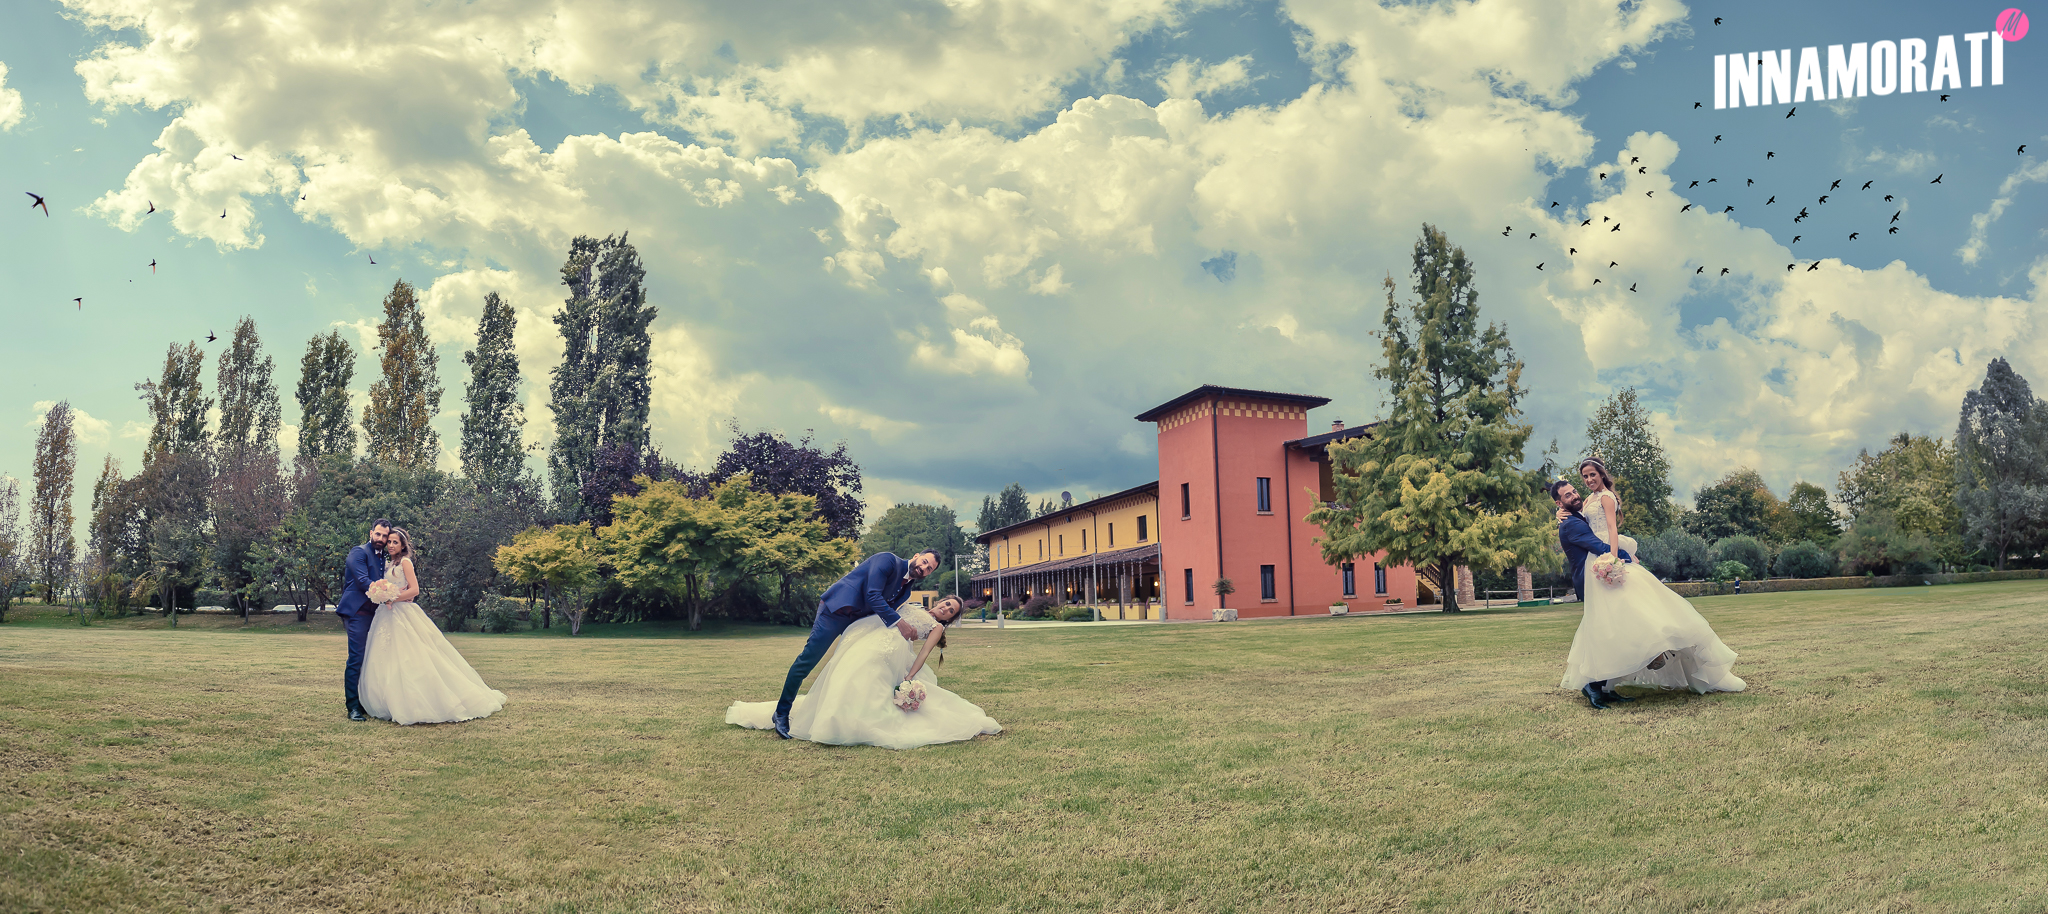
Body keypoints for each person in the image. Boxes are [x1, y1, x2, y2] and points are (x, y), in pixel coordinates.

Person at [1550, 468, 1746, 710]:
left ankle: (1609, 681)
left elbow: (1591, 519)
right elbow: (1596, 544)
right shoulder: (1570, 523)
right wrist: (1626, 556)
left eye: (1574, 491)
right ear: (1560, 502)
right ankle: (1607, 677)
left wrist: (1560, 511)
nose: (1575, 495)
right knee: (1615, 621)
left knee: (1615, 623)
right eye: (1567, 495)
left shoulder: (1579, 511)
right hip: (1597, 572)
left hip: (1602, 569)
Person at [727, 594, 1002, 749]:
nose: (945, 608)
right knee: (849, 677)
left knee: (868, 684)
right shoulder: (913, 605)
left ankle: (852, 723)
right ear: (940, 601)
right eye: (946, 603)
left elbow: (923, 654)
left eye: (950, 610)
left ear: (949, 618)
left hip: (892, 653)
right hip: (871, 639)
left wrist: (910, 677)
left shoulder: (936, 628)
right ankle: (835, 715)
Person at [765, 549, 939, 739]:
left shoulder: (907, 591)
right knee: (808, 659)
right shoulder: (888, 560)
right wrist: (900, 623)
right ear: (916, 556)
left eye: (929, 569)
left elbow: (882, 612)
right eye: (924, 562)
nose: (923, 568)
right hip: (836, 611)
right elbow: (873, 595)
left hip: (859, 623)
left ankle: (845, 718)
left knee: (857, 666)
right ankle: (781, 713)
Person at [356, 527, 507, 725]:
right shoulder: (387, 563)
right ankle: (386, 702)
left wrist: (392, 597)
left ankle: (420, 701)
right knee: (385, 657)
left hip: (403, 614)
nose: (391, 545)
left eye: (395, 542)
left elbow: (414, 590)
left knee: (412, 656)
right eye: (389, 541)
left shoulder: (405, 562)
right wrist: (383, 596)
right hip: (385, 615)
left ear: (403, 545)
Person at [336, 519, 392, 722]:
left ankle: (365, 702)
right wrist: (387, 594)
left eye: (385, 536)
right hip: (357, 612)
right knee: (356, 658)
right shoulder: (358, 552)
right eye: (378, 534)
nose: (381, 539)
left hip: (375, 614)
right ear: (371, 533)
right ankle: (353, 707)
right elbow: (362, 581)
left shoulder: (382, 557)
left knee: (371, 659)